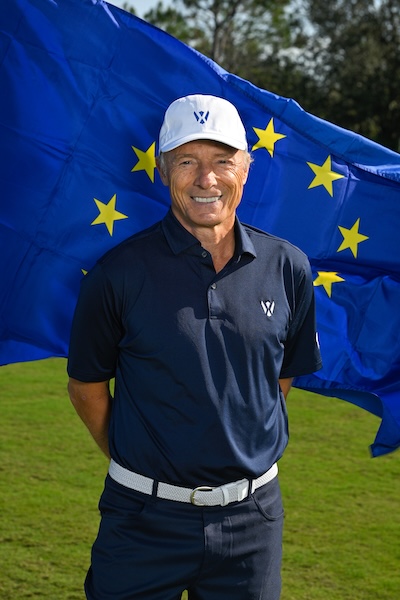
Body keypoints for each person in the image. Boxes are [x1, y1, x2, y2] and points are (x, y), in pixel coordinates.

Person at [67, 94, 322, 600]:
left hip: (252, 523)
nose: (207, 179)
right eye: (187, 161)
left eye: (223, 161)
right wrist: (139, 462)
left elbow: (278, 379)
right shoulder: (117, 273)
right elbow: (86, 387)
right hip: (141, 521)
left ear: (245, 169)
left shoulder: (288, 267)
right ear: (163, 170)